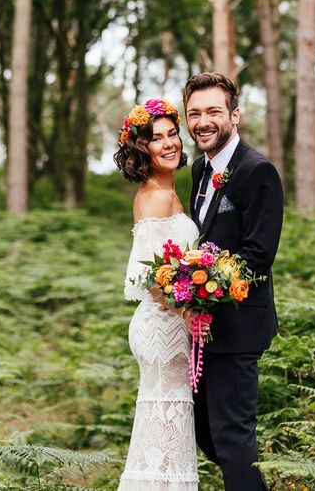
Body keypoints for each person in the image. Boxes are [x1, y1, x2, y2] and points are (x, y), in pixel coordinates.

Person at [184, 72, 284, 491]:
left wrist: (201, 290)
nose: (202, 121)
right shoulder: (198, 170)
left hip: (238, 327)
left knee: (232, 437)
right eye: (194, 113)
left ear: (235, 115)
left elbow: (258, 255)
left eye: (213, 111)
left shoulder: (257, 171)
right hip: (202, 330)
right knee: (207, 434)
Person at [113, 98, 202, 491]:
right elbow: (151, 277)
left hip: (169, 324)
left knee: (165, 432)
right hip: (162, 327)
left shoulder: (168, 190)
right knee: (167, 431)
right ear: (141, 148)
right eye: (156, 138)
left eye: (172, 134)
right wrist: (188, 313)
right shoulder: (155, 196)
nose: (169, 144)